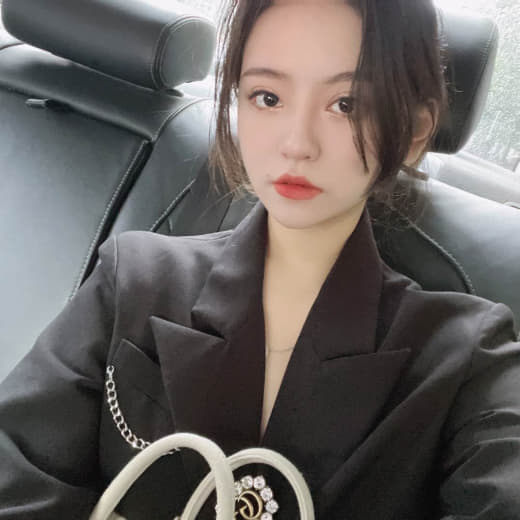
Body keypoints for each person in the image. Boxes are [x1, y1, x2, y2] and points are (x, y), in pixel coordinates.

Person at [1, 0, 520, 518]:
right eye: (267, 97)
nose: (296, 144)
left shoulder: (468, 359)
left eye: (347, 105)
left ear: (414, 131)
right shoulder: (133, 277)